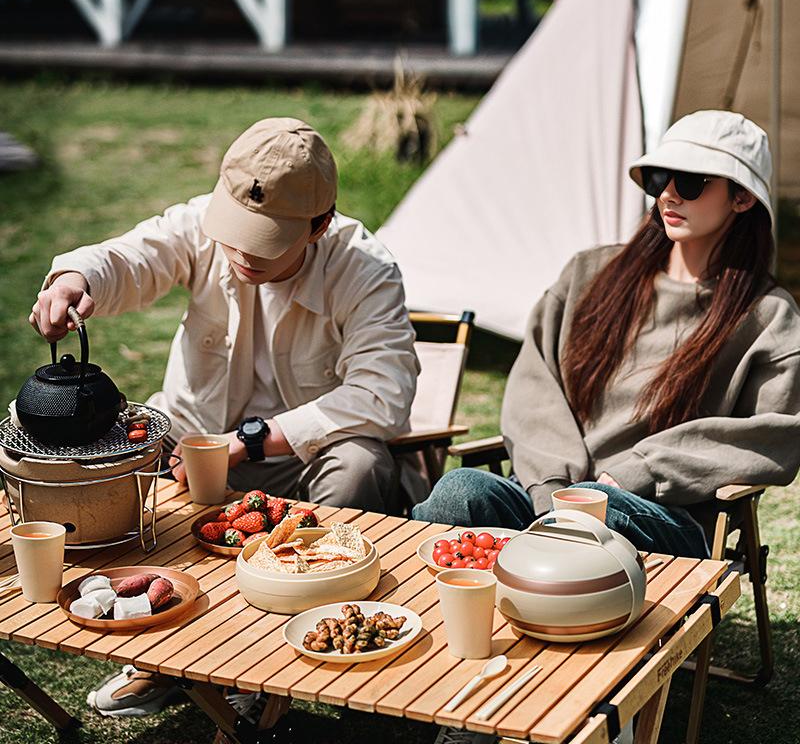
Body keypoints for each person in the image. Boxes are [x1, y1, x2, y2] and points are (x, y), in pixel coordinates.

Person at [30, 117, 420, 717]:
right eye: (234, 233)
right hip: (184, 445)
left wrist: (250, 442)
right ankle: (165, 658)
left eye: (262, 240)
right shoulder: (199, 226)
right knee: (116, 456)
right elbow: (132, 258)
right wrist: (78, 277)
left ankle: (273, 666)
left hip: (299, 465)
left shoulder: (364, 268)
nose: (239, 252)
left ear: (318, 225)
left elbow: (383, 394)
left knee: (361, 461)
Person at [414, 110, 800, 561]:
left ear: (742, 199)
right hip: (549, 499)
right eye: (661, 176)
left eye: (692, 182)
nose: (670, 193)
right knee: (459, 490)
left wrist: (641, 470)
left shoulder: (767, 316)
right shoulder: (590, 274)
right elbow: (534, 385)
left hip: (655, 515)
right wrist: (556, 489)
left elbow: (778, 432)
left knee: (605, 514)